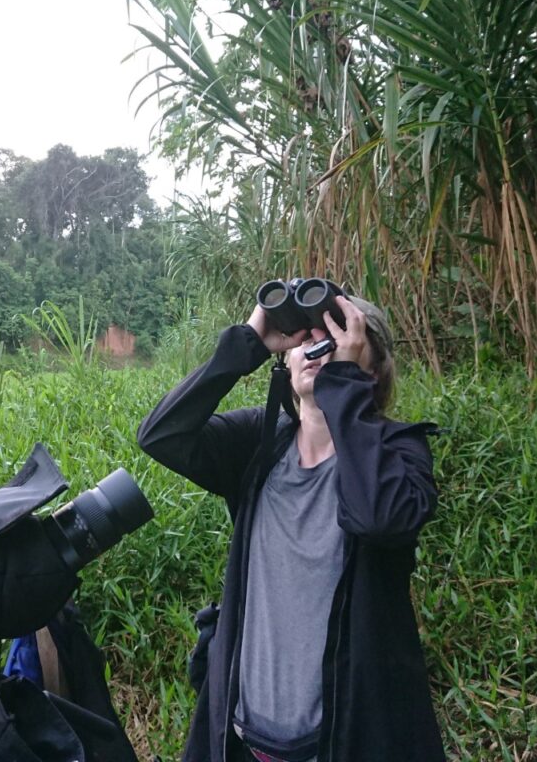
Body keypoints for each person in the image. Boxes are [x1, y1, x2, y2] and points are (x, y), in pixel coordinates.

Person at [137, 294, 445, 762]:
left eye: (335, 342)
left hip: (346, 740)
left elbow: (379, 517)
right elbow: (161, 435)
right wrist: (246, 344)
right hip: (243, 736)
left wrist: (344, 388)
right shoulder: (259, 443)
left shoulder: (399, 452)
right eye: (305, 339)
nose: (317, 350)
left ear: (372, 368)